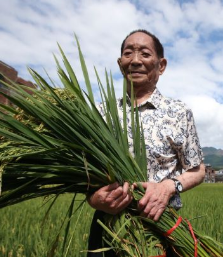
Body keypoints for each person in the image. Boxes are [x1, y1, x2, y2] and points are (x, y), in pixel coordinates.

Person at [86, 29, 205, 257]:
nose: (136, 60)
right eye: (128, 53)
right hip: (108, 229)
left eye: (145, 54)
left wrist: (169, 186)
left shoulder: (178, 112)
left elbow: (197, 170)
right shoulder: (101, 114)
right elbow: (87, 172)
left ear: (161, 65)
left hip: (161, 226)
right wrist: (93, 199)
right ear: (120, 62)